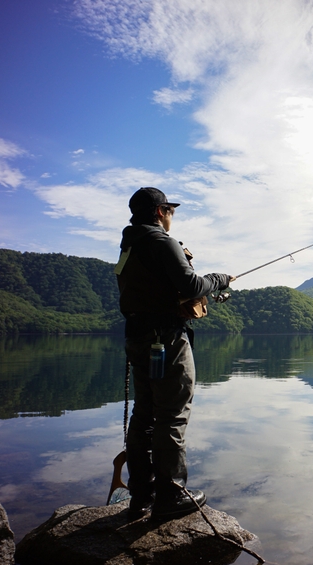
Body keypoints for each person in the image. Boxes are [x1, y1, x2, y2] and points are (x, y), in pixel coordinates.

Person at [115, 187, 234, 521]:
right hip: (165, 338)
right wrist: (220, 279)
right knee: (173, 413)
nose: (172, 217)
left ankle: (141, 494)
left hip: (138, 337)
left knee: (145, 413)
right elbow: (192, 286)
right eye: (171, 211)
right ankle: (171, 494)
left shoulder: (130, 245)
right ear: (159, 211)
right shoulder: (161, 241)